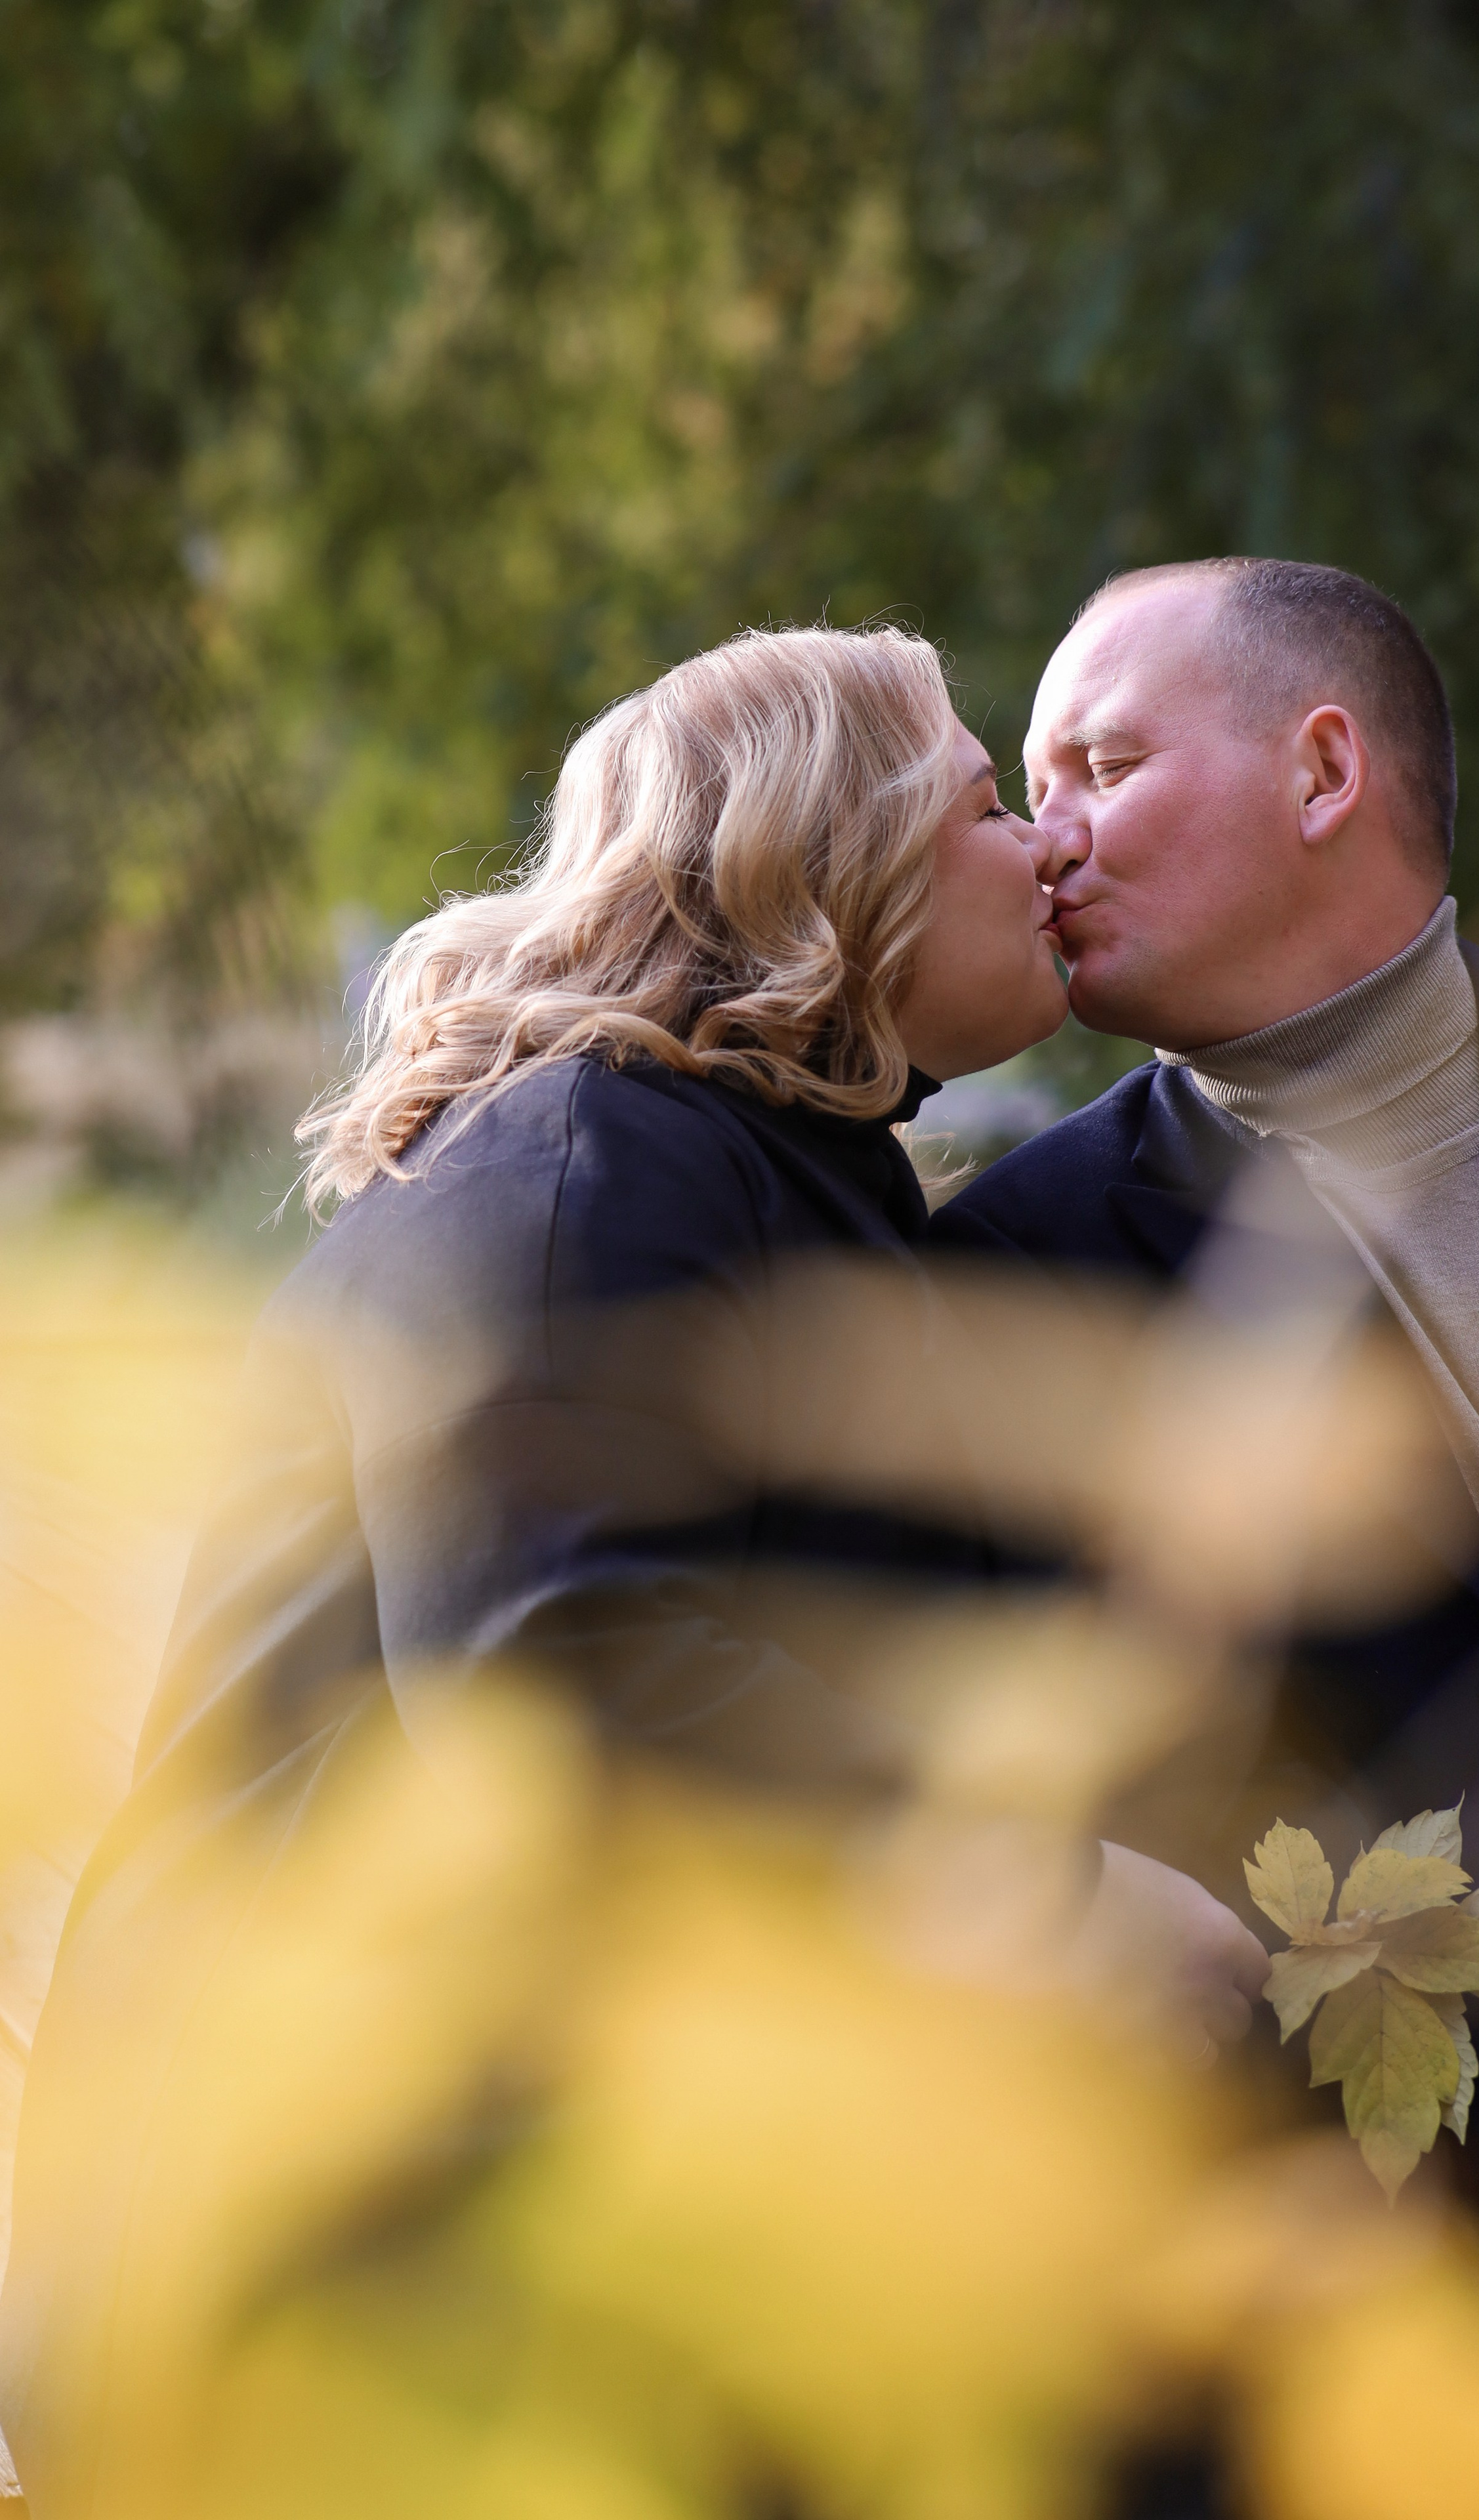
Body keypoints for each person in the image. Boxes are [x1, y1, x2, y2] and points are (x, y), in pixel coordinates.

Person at [0, 623, 1266, 2515]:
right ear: (829, 857)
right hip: (344, 2275)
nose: (1045, 850)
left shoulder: (762, 1175)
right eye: (990, 804)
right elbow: (560, 1658)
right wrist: (1073, 1890)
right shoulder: (588, 1151)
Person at [933, 558, 1479, 2501]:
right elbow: (1182, 1814)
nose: (1044, 841)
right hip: (1465, 2207)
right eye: (1028, 789)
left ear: (1325, 770)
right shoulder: (1021, 1281)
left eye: (1100, 767)